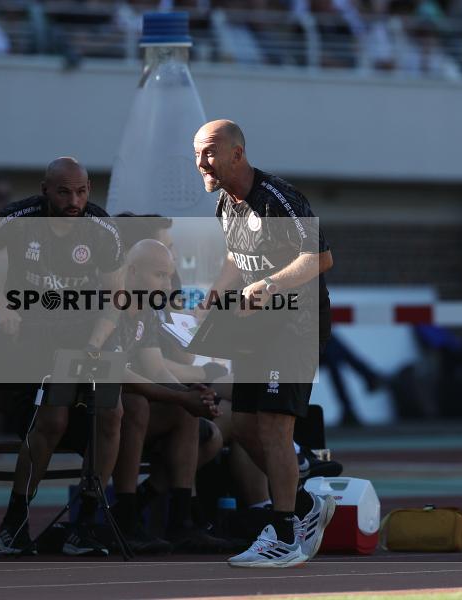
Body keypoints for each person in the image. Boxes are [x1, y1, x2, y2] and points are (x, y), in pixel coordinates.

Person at [0, 157, 123, 557]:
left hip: (88, 333)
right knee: (53, 417)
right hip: (36, 334)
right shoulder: (18, 220)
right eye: (65, 192)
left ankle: (84, 524)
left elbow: (116, 297)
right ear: (45, 189)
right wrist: (0, 304)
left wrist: (97, 342)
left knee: (113, 414)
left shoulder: (102, 229)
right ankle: (14, 525)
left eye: (82, 191)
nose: (74, 200)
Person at [193, 119, 336, 568]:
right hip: (257, 328)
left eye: (210, 152)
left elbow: (322, 257)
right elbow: (238, 257)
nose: (201, 162)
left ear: (237, 154)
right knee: (246, 424)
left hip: (295, 328)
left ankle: (284, 534)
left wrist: (271, 284)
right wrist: (216, 292)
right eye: (196, 153)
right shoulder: (224, 204)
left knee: (274, 427)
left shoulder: (278, 198)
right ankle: (305, 506)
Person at [109, 239, 226, 554]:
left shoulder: (144, 310)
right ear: (132, 271)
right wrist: (183, 395)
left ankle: (182, 521)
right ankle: (126, 515)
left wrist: (191, 395)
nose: (167, 283)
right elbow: (119, 375)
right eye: (159, 275)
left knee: (185, 408)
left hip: (128, 410)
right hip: (96, 411)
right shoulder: (110, 305)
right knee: (137, 403)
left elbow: (156, 369)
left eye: (169, 276)